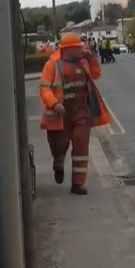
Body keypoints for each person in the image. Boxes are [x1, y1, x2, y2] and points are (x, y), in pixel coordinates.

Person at [39, 33, 111, 195]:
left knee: (81, 148)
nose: (79, 51)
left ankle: (78, 184)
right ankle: (58, 164)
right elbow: (44, 88)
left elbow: (96, 74)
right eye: (76, 48)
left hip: (81, 113)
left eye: (80, 48)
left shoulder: (84, 62)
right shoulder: (52, 65)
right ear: (66, 50)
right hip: (60, 116)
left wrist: (91, 58)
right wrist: (54, 103)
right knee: (59, 146)